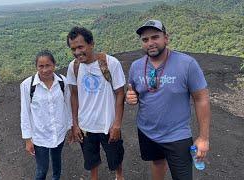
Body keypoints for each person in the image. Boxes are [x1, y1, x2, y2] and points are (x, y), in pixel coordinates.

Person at [126, 20, 211, 180]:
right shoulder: (136, 66)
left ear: (166, 38)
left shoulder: (187, 64)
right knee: (157, 162)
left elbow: (202, 99)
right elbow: (134, 92)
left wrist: (203, 138)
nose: (150, 43)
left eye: (155, 37)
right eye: (145, 40)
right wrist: (131, 97)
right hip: (147, 131)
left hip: (177, 135)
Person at [66, 26, 125, 180]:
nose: (77, 52)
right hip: (86, 124)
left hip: (107, 123)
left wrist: (117, 124)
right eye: (73, 49)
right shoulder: (74, 67)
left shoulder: (110, 63)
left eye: (80, 46)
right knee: (90, 158)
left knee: (115, 156)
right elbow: (74, 95)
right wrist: (75, 123)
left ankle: (119, 175)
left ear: (91, 43)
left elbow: (120, 93)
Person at [20, 50, 72, 180]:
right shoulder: (28, 85)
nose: (44, 70)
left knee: (57, 161)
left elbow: (68, 105)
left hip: (58, 131)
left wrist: (70, 127)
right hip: (40, 135)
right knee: (42, 169)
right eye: (41, 66)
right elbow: (25, 112)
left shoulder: (62, 82)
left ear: (54, 65)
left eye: (48, 65)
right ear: (36, 67)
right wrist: (27, 139)